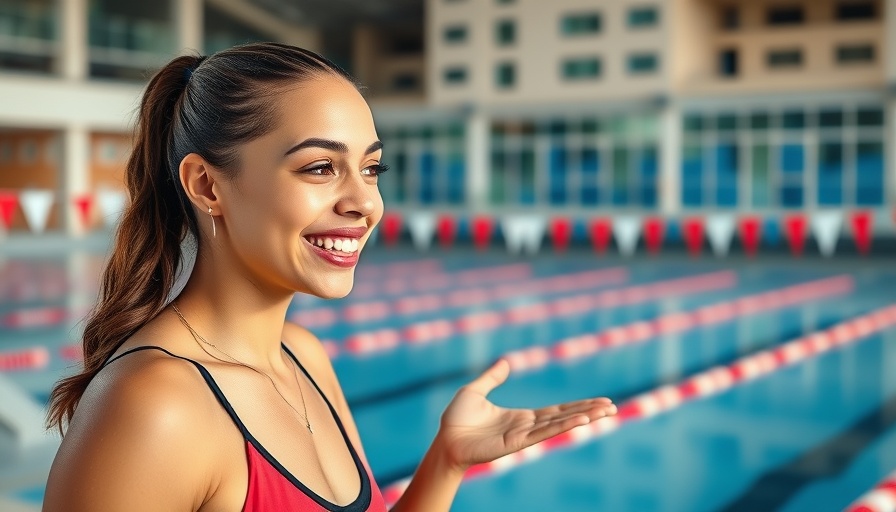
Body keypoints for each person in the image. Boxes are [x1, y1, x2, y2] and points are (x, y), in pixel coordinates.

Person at [43, 42, 617, 511]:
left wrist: (446, 459)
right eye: (320, 168)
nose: (364, 202)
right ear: (207, 186)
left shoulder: (303, 355)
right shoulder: (155, 404)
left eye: (371, 169)